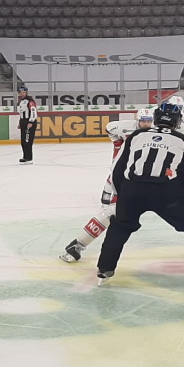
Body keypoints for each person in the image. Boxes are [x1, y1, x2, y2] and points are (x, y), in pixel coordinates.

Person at [96, 101, 184, 295]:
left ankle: (105, 268)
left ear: (155, 119)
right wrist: (180, 197)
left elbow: (118, 167)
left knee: (119, 227)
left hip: (132, 190)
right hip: (167, 192)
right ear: (177, 121)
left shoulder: (136, 136)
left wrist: (124, 193)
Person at [59, 108, 153, 263]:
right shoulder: (127, 127)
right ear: (138, 120)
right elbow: (110, 127)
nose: (146, 124)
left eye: (148, 121)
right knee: (110, 212)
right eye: (143, 121)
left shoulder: (155, 134)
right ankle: (77, 246)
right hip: (125, 179)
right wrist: (117, 145)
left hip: (145, 181)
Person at [17, 86, 38, 164]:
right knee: (23, 141)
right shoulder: (21, 101)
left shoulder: (30, 101)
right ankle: (25, 156)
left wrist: (31, 122)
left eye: (22, 92)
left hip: (29, 123)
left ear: (26, 92)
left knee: (28, 141)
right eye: (20, 92)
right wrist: (20, 123)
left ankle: (29, 158)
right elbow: (21, 113)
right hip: (23, 123)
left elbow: (33, 112)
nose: (21, 93)